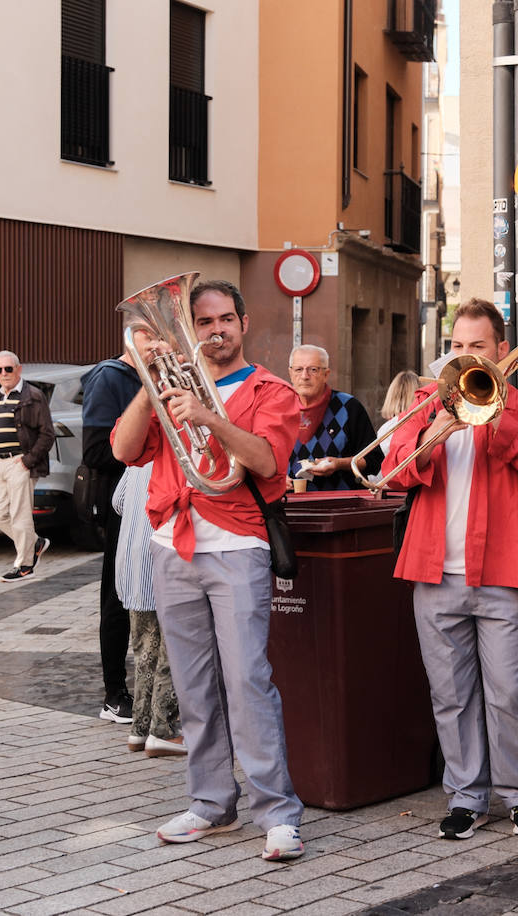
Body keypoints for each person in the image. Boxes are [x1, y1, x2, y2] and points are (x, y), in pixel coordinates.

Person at [111, 278, 305, 861]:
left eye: (224, 319)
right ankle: (211, 803)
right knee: (193, 686)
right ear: (190, 331)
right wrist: (150, 382)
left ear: (243, 324)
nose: (215, 330)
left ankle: (277, 813)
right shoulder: (172, 385)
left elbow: (266, 460)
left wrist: (207, 415)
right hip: (173, 544)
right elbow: (123, 450)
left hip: (237, 545)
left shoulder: (270, 389)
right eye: (203, 322)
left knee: (248, 681)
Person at [383, 299, 518, 840]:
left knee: (511, 692)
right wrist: (436, 425)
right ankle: (465, 797)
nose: (463, 357)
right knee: (452, 694)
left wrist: (492, 416)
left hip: (503, 571)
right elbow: (395, 473)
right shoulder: (423, 405)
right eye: (456, 347)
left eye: (476, 348)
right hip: (434, 571)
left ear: (500, 352)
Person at [81, 338, 143, 723]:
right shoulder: (111, 376)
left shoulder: (149, 376)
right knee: (117, 597)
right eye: (154, 338)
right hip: (126, 501)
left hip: (156, 496)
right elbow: (95, 451)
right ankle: (114, 694)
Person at [112, 461, 185, 758]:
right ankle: (163, 729)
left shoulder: (138, 454)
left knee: (143, 650)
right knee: (171, 648)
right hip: (161, 552)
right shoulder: (175, 453)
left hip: (130, 560)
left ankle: (139, 730)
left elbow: (118, 501)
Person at [0, 350, 53, 580]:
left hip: (20, 462)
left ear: (19, 369)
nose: (4, 374)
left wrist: (28, 460)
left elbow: (47, 434)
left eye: (8, 369)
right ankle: (34, 543)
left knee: (20, 515)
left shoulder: (33, 396)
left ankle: (25, 565)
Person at [287, 344, 377, 491]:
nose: (304, 376)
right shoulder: (278, 409)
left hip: (340, 505)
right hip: (288, 506)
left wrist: (339, 464)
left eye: (313, 369)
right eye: (298, 369)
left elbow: (374, 460)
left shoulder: (349, 407)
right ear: (290, 373)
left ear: (326, 374)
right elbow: (261, 459)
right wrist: (275, 480)